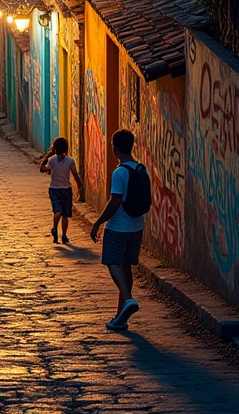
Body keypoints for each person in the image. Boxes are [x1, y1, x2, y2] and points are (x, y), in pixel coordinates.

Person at [90, 129, 145, 331]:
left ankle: (128, 300)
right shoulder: (141, 169)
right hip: (137, 227)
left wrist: (98, 222)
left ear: (115, 148)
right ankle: (121, 316)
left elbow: (115, 202)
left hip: (119, 228)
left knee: (112, 262)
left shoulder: (120, 172)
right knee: (126, 266)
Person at [40, 136, 84, 243]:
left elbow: (45, 169)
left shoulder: (52, 160)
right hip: (66, 189)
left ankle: (55, 228)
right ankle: (64, 236)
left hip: (54, 189)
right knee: (65, 214)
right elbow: (75, 175)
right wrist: (80, 186)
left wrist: (45, 165)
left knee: (57, 211)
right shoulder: (70, 161)